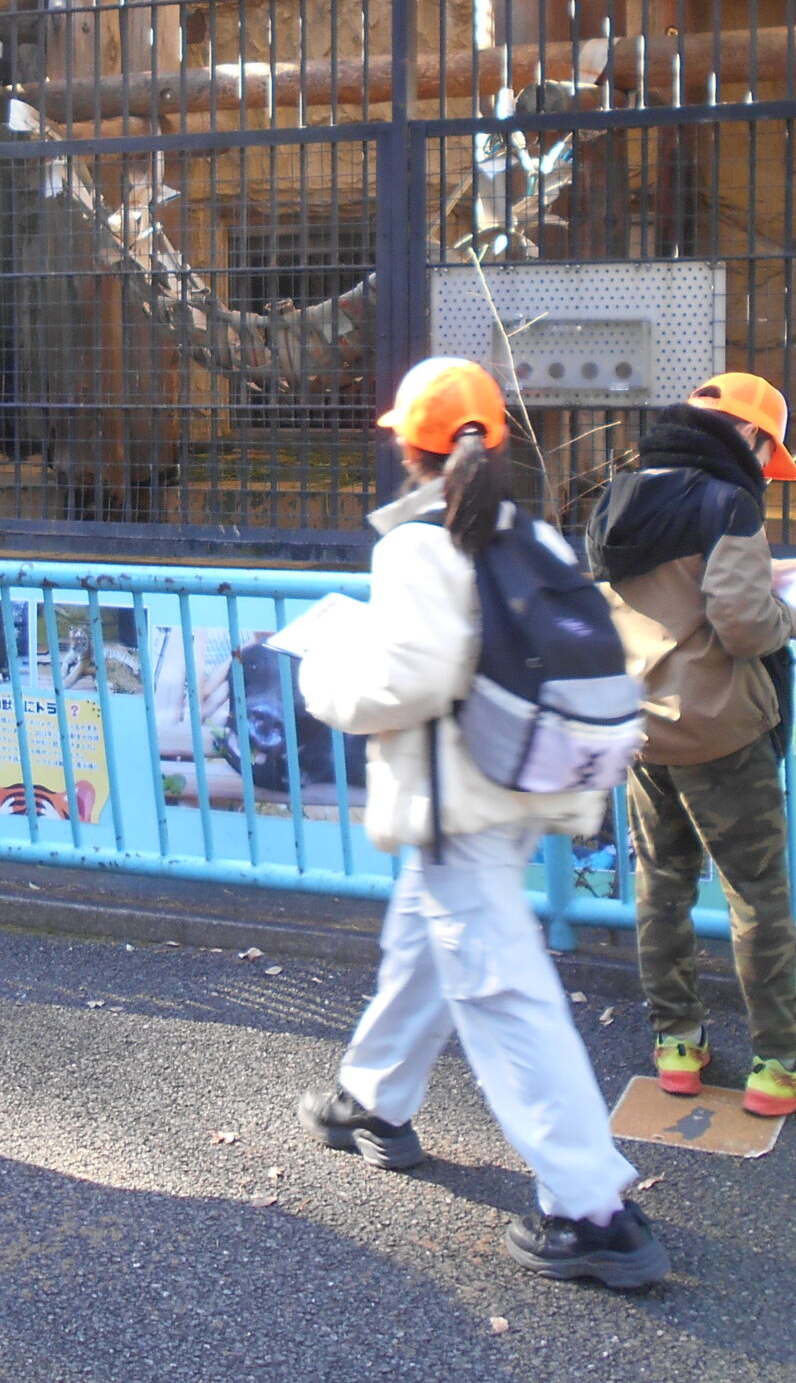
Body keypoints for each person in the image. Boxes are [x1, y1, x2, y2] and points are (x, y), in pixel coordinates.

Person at [290, 358, 667, 1291]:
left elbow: (410, 680)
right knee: (425, 941)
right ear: (495, 440)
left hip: (457, 798)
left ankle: (590, 1211)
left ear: (406, 447)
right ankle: (372, 1099)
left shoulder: (420, 545)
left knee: (502, 993)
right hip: (514, 784)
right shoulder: (523, 532)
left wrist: (321, 670)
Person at [586, 372, 796, 1118]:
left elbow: (668, 589)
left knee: (661, 885)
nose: (764, 467)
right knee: (756, 896)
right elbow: (742, 625)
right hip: (722, 731)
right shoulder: (730, 501)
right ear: (754, 436)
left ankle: (676, 1044)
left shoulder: (621, 495)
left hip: (642, 727)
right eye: (768, 451)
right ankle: (780, 1065)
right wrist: (792, 616)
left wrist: (762, 574)